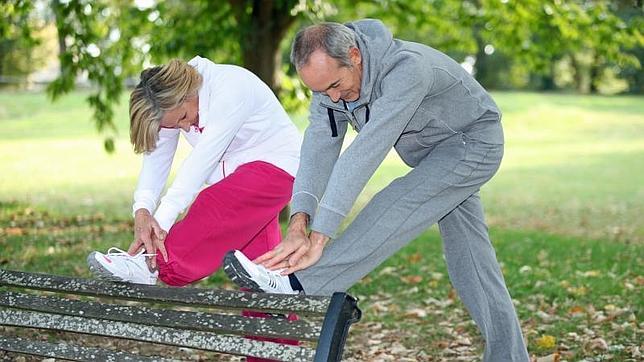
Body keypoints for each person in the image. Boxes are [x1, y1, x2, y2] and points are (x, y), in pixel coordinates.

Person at [222, 20, 530, 361]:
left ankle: (299, 286)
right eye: (323, 91)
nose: (333, 98)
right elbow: (318, 147)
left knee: (397, 201)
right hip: (434, 155)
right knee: (471, 264)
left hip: (472, 143)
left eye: (336, 86)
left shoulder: (406, 70)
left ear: (354, 56)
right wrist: (299, 222)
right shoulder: (329, 83)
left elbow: (365, 153)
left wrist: (321, 235)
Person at [87, 56, 302, 288]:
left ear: (187, 94)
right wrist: (142, 209)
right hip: (238, 178)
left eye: (183, 118)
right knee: (260, 270)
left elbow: (199, 164)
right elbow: (156, 159)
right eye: (175, 125)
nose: (187, 128)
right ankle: (272, 314)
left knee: (214, 204)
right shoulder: (174, 105)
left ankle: (152, 265)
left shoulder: (231, 88)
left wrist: (157, 231)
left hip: (278, 166)